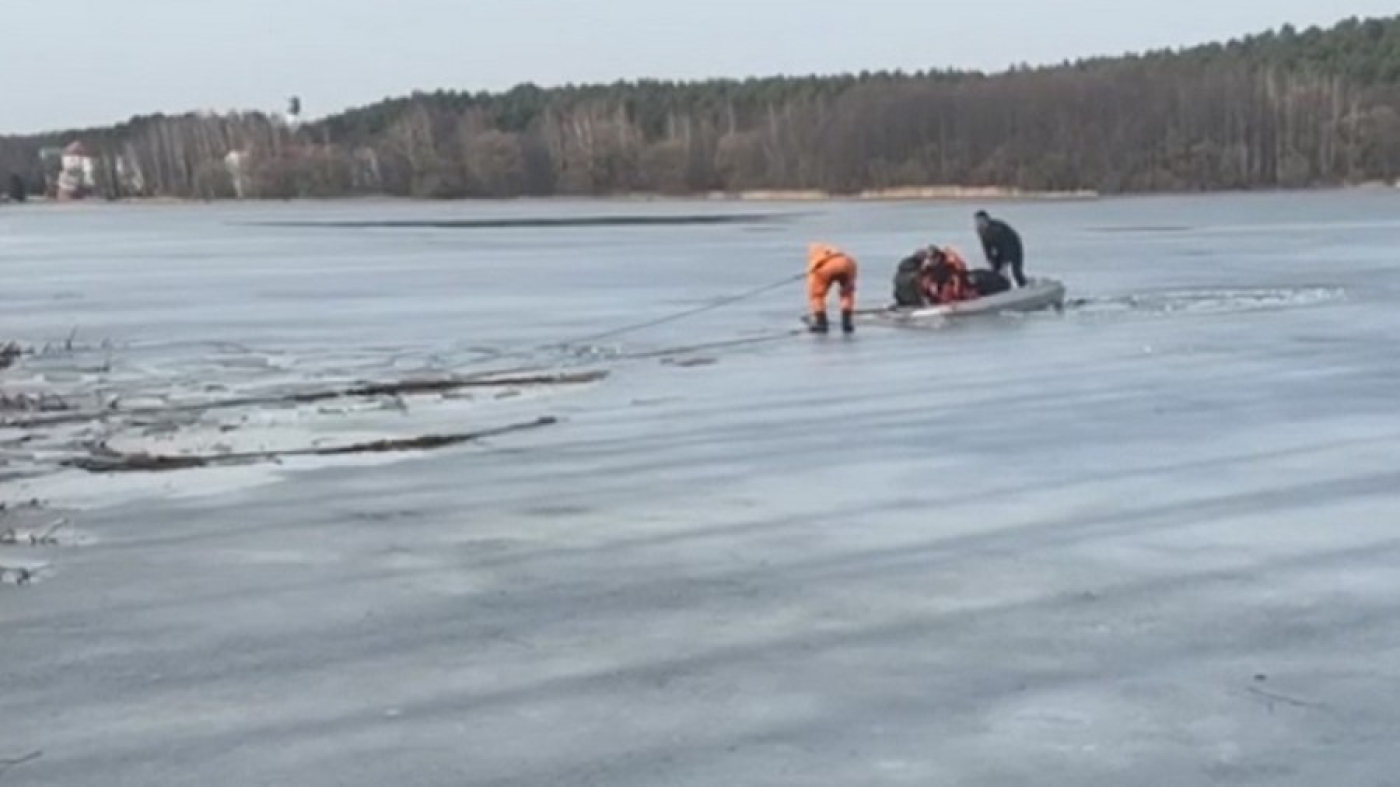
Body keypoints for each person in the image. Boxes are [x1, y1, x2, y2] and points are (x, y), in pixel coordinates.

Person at [807, 243, 858, 334]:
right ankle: (847, 323)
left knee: (817, 296)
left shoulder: (815, 253)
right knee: (847, 293)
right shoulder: (836, 251)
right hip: (848, 263)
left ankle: (821, 324)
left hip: (826, 267)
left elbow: (813, 271)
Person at [975, 210, 1026, 287]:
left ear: (986, 220)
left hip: (1014, 246)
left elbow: (1006, 245)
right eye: (977, 221)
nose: (979, 223)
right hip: (1000, 250)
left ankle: (1024, 286)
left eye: (981, 221)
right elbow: (987, 248)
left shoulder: (996, 229)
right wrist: (991, 260)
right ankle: (1004, 288)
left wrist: (1004, 263)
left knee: (1016, 272)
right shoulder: (981, 231)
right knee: (995, 272)